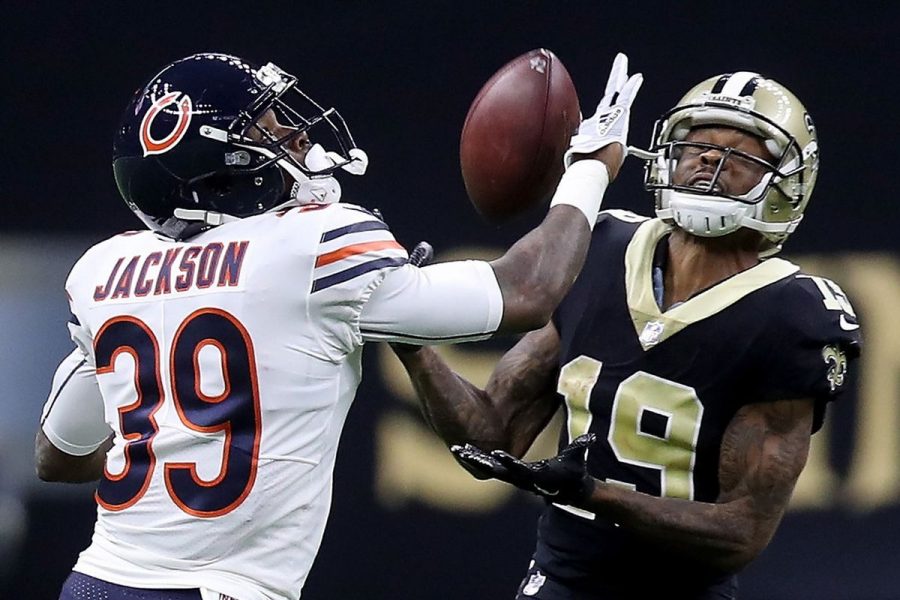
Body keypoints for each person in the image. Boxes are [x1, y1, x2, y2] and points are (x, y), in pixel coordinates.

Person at [33, 51, 642, 600]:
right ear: (226, 158)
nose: (296, 135)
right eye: (268, 128)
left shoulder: (104, 270)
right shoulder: (316, 243)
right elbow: (527, 290)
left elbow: (58, 457)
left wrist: (165, 445)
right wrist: (590, 167)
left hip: (97, 582)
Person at [392, 71, 861, 599]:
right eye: (698, 145)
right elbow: (491, 435)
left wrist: (595, 494)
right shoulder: (601, 247)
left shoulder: (790, 314)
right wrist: (411, 341)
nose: (710, 160)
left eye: (740, 153)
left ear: (787, 182)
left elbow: (742, 532)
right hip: (561, 580)